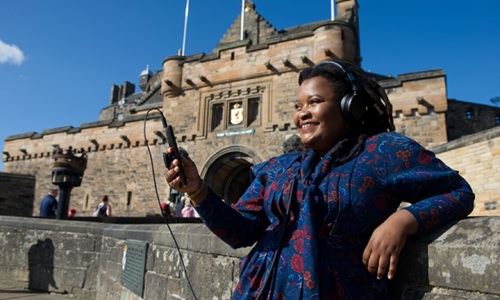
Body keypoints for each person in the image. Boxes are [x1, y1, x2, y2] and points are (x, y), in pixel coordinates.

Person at [164, 59, 475, 299]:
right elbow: (241, 232)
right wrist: (198, 191)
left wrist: (403, 221)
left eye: (314, 102)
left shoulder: (384, 152)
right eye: (298, 106)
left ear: (348, 106)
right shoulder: (276, 169)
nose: (302, 114)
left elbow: (458, 192)